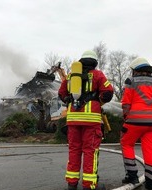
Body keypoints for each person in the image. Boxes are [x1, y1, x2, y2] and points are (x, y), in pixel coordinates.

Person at [58, 50, 113, 190]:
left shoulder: (71, 75)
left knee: (74, 150)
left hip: (73, 120)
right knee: (90, 151)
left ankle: (72, 184)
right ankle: (89, 185)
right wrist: (98, 101)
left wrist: (69, 101)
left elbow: (61, 94)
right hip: (91, 121)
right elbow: (108, 92)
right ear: (95, 62)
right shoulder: (98, 74)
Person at [120, 57, 152, 190]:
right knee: (150, 150)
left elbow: (126, 103)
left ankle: (132, 176)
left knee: (126, 144)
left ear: (135, 70)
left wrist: (126, 117)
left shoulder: (131, 81)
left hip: (134, 121)